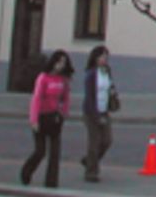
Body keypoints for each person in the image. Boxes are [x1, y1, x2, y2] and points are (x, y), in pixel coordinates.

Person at [21, 49, 73, 187]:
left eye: (63, 63)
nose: (60, 66)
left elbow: (66, 97)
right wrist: (34, 120)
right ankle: (26, 171)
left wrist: (64, 113)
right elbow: (36, 99)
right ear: (53, 62)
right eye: (59, 62)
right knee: (40, 151)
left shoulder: (63, 80)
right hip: (42, 117)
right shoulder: (43, 78)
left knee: (55, 152)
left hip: (55, 118)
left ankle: (51, 182)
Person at [81, 45, 116, 182]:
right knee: (94, 143)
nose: (104, 59)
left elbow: (110, 87)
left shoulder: (106, 71)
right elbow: (90, 96)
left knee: (107, 140)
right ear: (95, 58)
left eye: (106, 57)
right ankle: (91, 172)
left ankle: (89, 161)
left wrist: (113, 96)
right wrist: (96, 116)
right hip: (91, 112)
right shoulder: (91, 74)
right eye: (102, 56)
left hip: (104, 110)